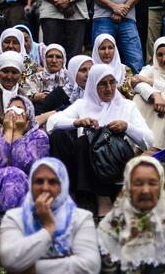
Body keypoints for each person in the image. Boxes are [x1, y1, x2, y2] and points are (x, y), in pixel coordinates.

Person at [47, 64, 153, 210]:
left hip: (114, 161)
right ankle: (70, 193)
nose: (109, 88)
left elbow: (149, 140)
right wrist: (77, 122)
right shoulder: (82, 105)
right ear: (93, 85)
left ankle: (98, 199)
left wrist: (127, 127)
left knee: (88, 140)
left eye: (112, 82)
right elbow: (52, 123)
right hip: (86, 162)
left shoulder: (127, 106)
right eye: (103, 84)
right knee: (65, 137)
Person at [0, 95, 49, 213]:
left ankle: (9, 219)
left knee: (14, 174)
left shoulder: (38, 136)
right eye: (10, 109)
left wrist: (17, 133)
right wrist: (8, 132)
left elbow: (26, 166)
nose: (13, 113)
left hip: (26, 186)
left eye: (19, 109)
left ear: (28, 116)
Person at [0, 28, 41, 95]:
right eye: (7, 42)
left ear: (21, 45)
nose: (10, 46)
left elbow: (33, 91)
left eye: (15, 43)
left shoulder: (30, 66)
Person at [91, 33, 135, 98]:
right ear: (96, 51)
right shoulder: (89, 71)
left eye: (110, 48)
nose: (106, 52)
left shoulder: (125, 70)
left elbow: (130, 93)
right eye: (103, 48)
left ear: (115, 50)